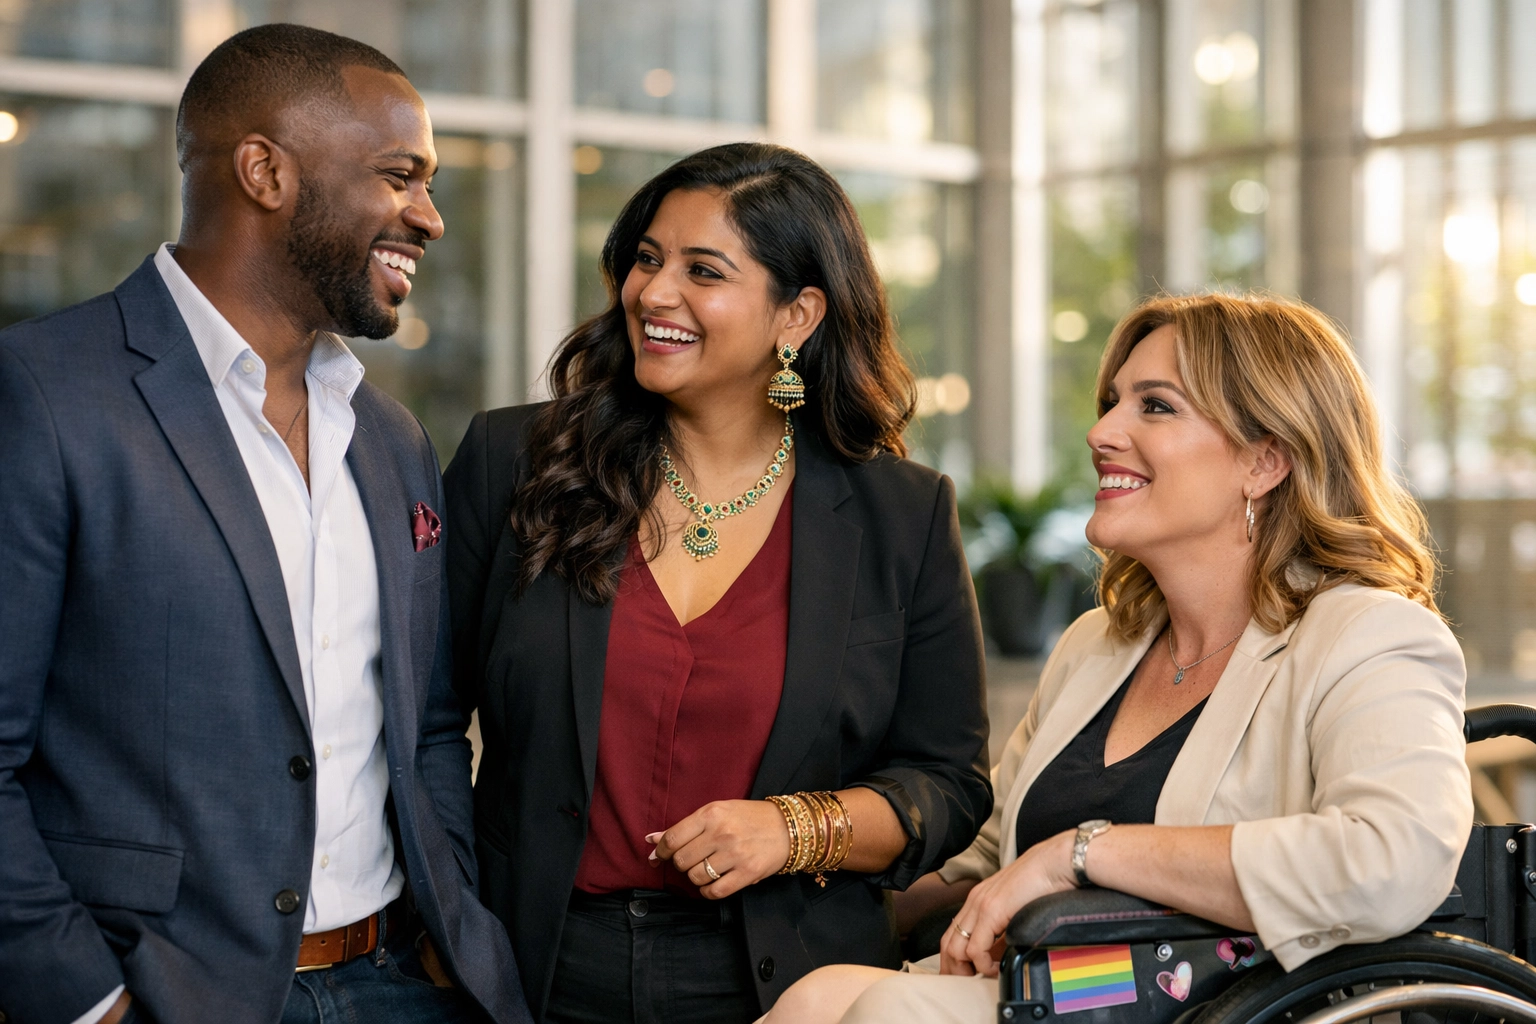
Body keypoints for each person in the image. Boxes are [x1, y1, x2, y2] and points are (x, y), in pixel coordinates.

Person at [0, 24, 531, 1024]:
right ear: (265, 171)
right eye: (400, 175)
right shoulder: (43, 394)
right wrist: (90, 999)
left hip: (399, 982)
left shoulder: (392, 436)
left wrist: (446, 933)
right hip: (169, 993)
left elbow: (422, 732)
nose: (432, 217)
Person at [762, 292, 1474, 1024]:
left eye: (1156, 406)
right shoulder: (1097, 646)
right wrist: (787, 861)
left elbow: (1393, 860)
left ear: (1265, 460)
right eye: (1112, 401)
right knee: (817, 994)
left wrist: (1084, 851)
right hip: (1067, 990)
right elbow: (983, 859)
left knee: (896, 1008)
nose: (1103, 431)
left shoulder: (1369, 634)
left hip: (1222, 999)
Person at [444, 142, 992, 1023]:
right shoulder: (516, 464)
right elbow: (424, 722)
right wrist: (443, 927)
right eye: (648, 260)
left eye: (705, 270)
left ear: (797, 315)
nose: (654, 293)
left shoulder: (901, 514)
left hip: (789, 987)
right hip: (529, 967)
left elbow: (948, 783)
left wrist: (795, 828)